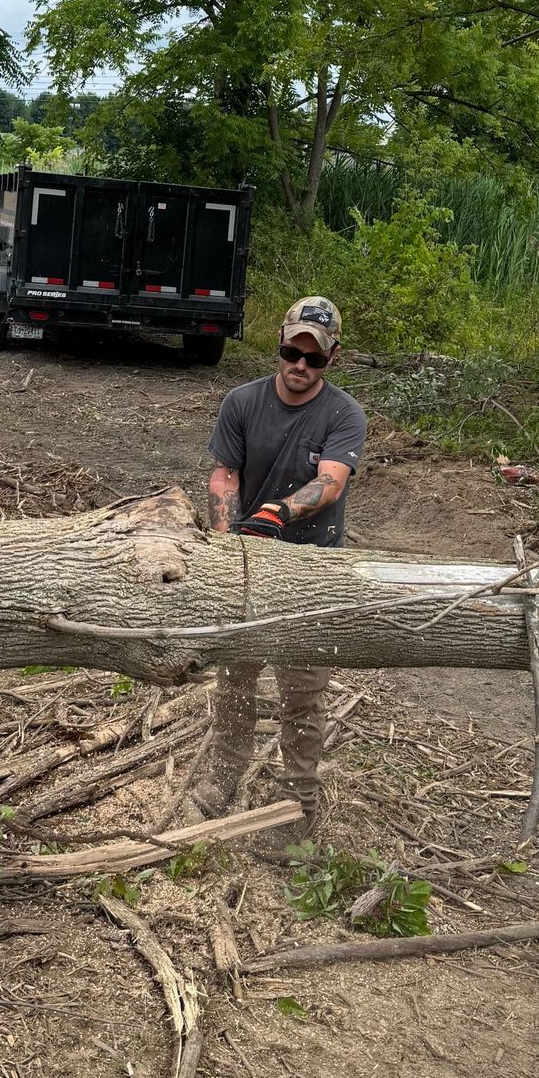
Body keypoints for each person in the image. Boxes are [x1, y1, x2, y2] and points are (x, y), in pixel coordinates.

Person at [198, 296, 367, 842]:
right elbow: (225, 476)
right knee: (235, 681)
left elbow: (332, 482)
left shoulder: (343, 414)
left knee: (302, 690)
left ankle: (297, 801)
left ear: (331, 359)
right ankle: (223, 777)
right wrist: (228, 534)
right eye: (291, 352)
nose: (299, 365)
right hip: (248, 562)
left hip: (312, 565)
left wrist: (278, 513)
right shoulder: (242, 403)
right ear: (279, 342)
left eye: (313, 359)